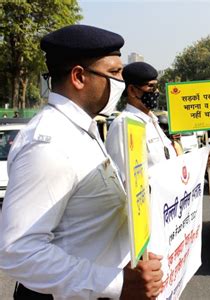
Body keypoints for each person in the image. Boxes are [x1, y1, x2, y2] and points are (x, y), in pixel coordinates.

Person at [0, 24, 163, 299]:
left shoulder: (83, 129)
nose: (122, 83)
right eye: (114, 73)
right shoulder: (49, 145)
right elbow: (18, 252)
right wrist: (117, 284)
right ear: (78, 76)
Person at [105, 62, 178, 180]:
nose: (156, 91)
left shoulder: (153, 121)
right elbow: (123, 179)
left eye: (157, 86)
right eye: (151, 86)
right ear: (132, 90)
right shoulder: (124, 125)